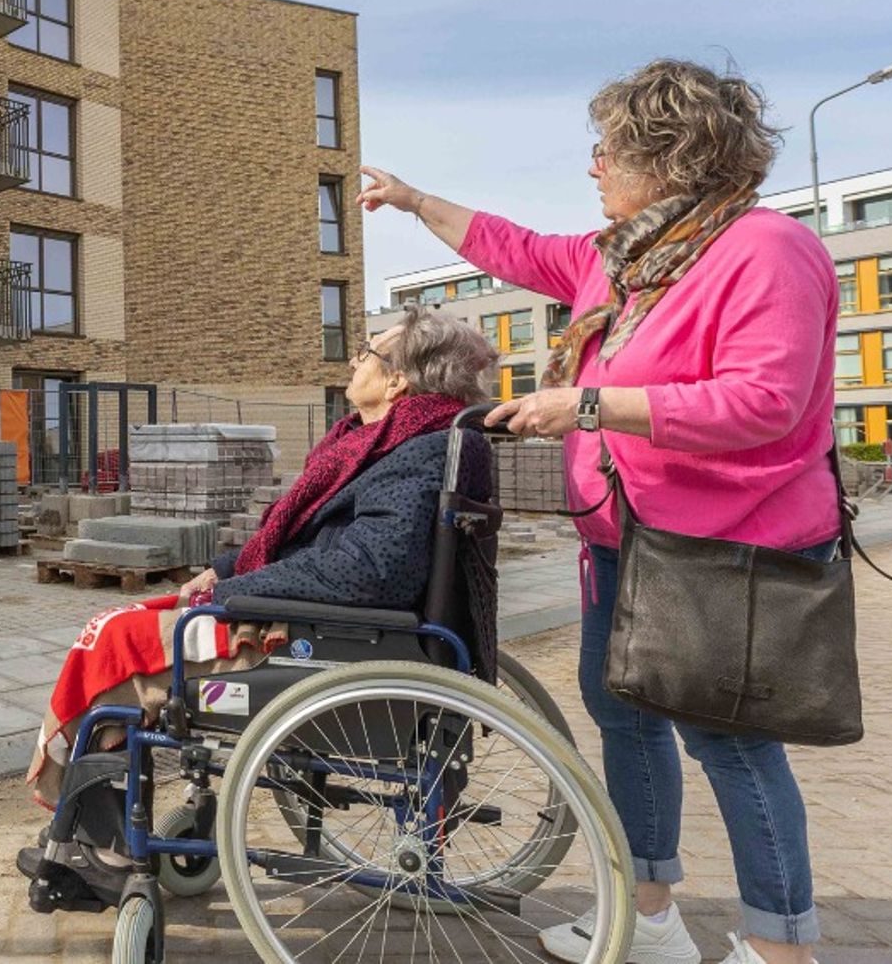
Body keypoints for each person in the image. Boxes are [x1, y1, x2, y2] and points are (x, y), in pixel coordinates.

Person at [359, 58, 838, 964]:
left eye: (608, 150)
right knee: (623, 715)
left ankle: (782, 950)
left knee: (729, 742)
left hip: (722, 547)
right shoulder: (623, 258)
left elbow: (764, 400)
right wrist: (414, 200)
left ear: (670, 155)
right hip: (621, 537)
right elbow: (512, 246)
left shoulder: (766, 249)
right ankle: (649, 918)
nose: (593, 166)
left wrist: (588, 405)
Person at [24, 304, 498, 812]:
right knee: (129, 621)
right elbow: (313, 539)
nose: (353, 360)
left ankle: (91, 825)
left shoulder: (414, 451)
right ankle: (95, 806)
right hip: (318, 617)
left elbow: (369, 570)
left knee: (112, 641)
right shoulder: (381, 443)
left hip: (318, 635)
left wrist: (235, 591)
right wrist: (225, 569)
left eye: (366, 353)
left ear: (397, 381)